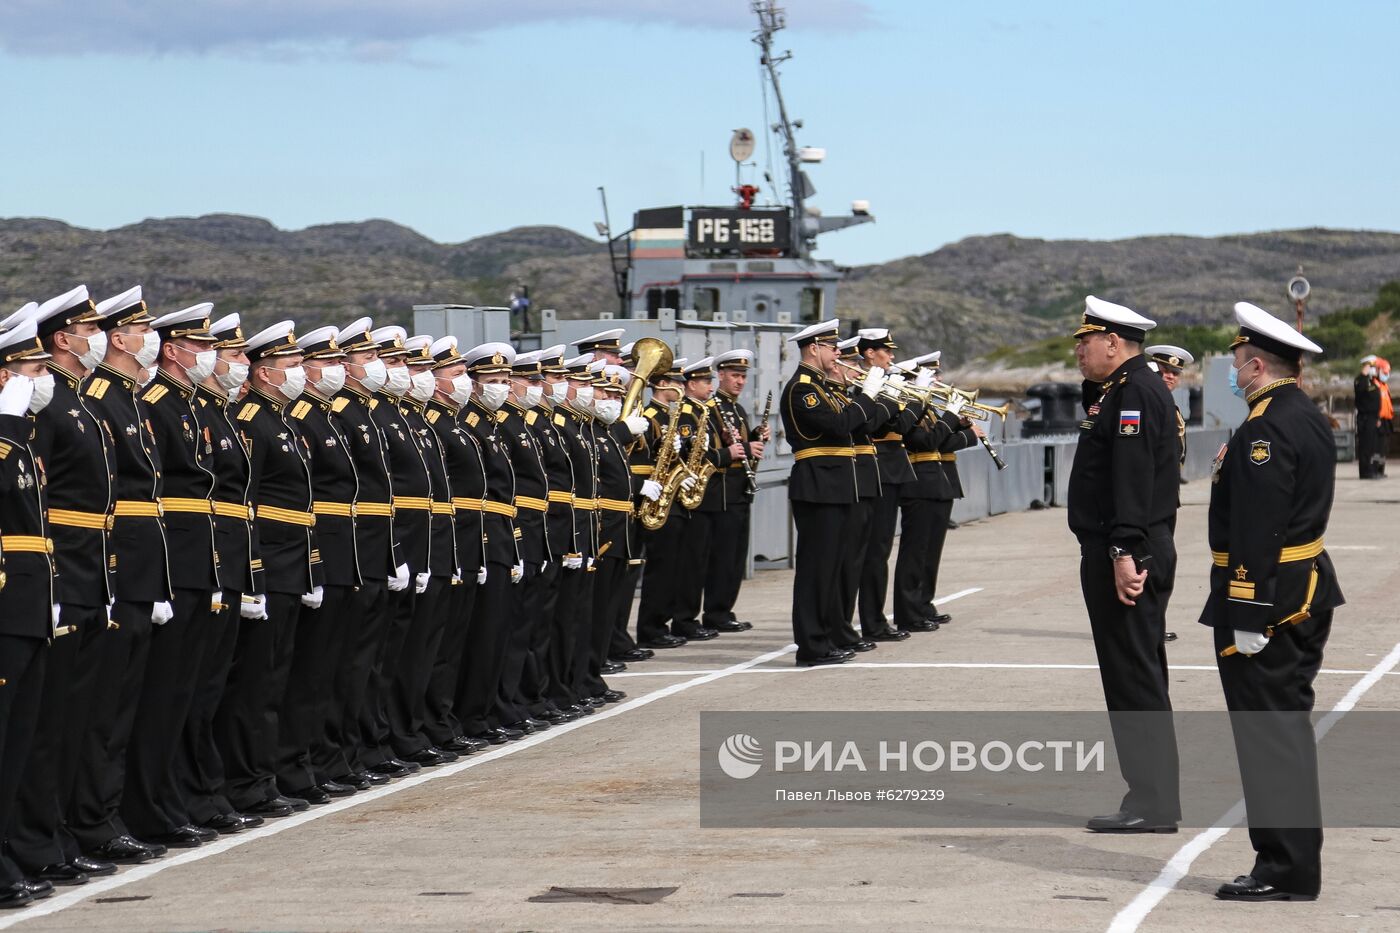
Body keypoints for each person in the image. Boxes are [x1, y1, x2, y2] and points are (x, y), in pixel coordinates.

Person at [1204, 302, 1342, 903]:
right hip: (1303, 586)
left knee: (1269, 735)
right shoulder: (1301, 413)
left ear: (1256, 364)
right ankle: (1290, 863)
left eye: (1237, 363)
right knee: (1282, 730)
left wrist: (1248, 611)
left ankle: (1283, 868)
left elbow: (1259, 526)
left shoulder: (1264, 427)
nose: (1234, 372)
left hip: (1271, 602)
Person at [7, 289, 120, 888]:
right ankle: (34, 841)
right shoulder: (33, 418)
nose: (39, 378)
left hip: (76, 571)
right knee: (45, 726)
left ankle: (54, 835)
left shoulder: (70, 405)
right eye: (29, 369)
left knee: (70, 720)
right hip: (50, 577)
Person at [1067, 295, 1181, 834]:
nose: (1078, 352)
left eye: (1085, 342)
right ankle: (1151, 797)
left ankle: (1151, 804)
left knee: (1134, 679)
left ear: (1113, 342)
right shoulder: (1125, 388)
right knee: (1136, 674)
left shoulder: (1134, 393)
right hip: (1131, 545)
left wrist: (1123, 551)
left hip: (1128, 551)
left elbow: (1132, 478)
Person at [71, 287, 174, 863]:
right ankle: (93, 821)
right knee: (103, 708)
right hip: (114, 567)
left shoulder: (129, 398)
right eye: (140, 330)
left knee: (125, 703)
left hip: (140, 567)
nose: (148, 339)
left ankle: (109, 814)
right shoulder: (101, 397)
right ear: (116, 338)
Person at [121, 303, 223, 849]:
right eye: (201, 348)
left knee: (184, 691)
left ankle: (171, 800)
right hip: (167, 558)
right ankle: (150, 807)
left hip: (189, 556)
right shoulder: (156, 403)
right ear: (175, 349)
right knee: (160, 696)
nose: (209, 357)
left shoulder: (182, 403)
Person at [220, 321, 316, 817]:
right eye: (292, 366)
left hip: (292, 559)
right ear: (264, 372)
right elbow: (247, 500)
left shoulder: (283, 419)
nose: (301, 374)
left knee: (278, 676)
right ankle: (249, 781)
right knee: (256, 681)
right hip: (269, 562)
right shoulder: (251, 420)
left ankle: (269, 775)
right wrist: (255, 571)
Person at [779, 319, 890, 667]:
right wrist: (868, 394)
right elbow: (840, 425)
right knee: (816, 569)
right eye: (831, 346)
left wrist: (867, 397)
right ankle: (810, 646)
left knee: (832, 569)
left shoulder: (826, 388)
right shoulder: (802, 389)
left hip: (838, 485)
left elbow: (858, 424)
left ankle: (825, 638)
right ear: (814, 348)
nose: (837, 352)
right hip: (818, 484)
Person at [0, 317, 60, 908]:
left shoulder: (20, 438)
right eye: (34, 371)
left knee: (20, 736)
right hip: (5, 604)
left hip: (30, 602)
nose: (44, 381)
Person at [703, 349, 764, 633]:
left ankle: (725, 609)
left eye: (743, 376)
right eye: (735, 376)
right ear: (721, 375)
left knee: (736, 557)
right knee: (723, 557)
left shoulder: (737, 409)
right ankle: (716, 612)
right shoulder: (712, 407)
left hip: (739, 490)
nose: (740, 381)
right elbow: (710, 450)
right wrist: (741, 448)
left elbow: (743, 449)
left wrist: (755, 440)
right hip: (722, 492)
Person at [1145, 343, 1195, 642]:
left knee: (1162, 563)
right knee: (1157, 562)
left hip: (1167, 497)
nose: (1170, 377)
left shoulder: (1170, 407)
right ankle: (1147, 626)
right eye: (1165, 370)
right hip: (1151, 499)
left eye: (1175, 373)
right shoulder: (1151, 404)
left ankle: (1153, 624)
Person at [1353, 355, 1381, 479]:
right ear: (1366, 366)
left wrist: (1378, 417)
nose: (1373, 369)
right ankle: (1365, 472)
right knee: (1365, 445)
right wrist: (1364, 374)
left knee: (1371, 446)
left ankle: (1371, 470)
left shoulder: (1371, 381)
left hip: (1373, 418)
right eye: (1371, 366)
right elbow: (1360, 390)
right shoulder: (1360, 380)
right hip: (1365, 418)